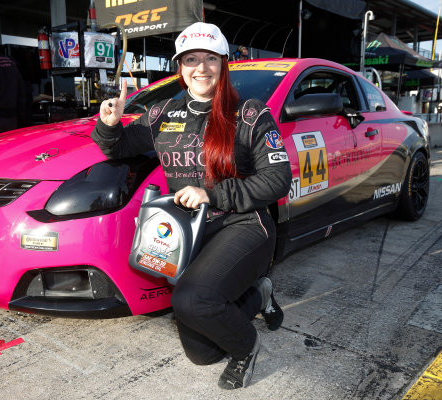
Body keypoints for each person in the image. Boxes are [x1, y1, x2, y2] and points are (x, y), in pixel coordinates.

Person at [91, 22, 291, 389]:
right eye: (191, 59)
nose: (201, 68)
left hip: (244, 225)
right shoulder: (163, 112)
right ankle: (259, 294)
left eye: (210, 58)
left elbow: (278, 179)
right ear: (180, 67)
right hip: (192, 230)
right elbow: (118, 147)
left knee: (193, 300)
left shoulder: (250, 114)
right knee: (202, 353)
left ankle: (247, 348)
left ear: (224, 62)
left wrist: (211, 193)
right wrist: (110, 125)